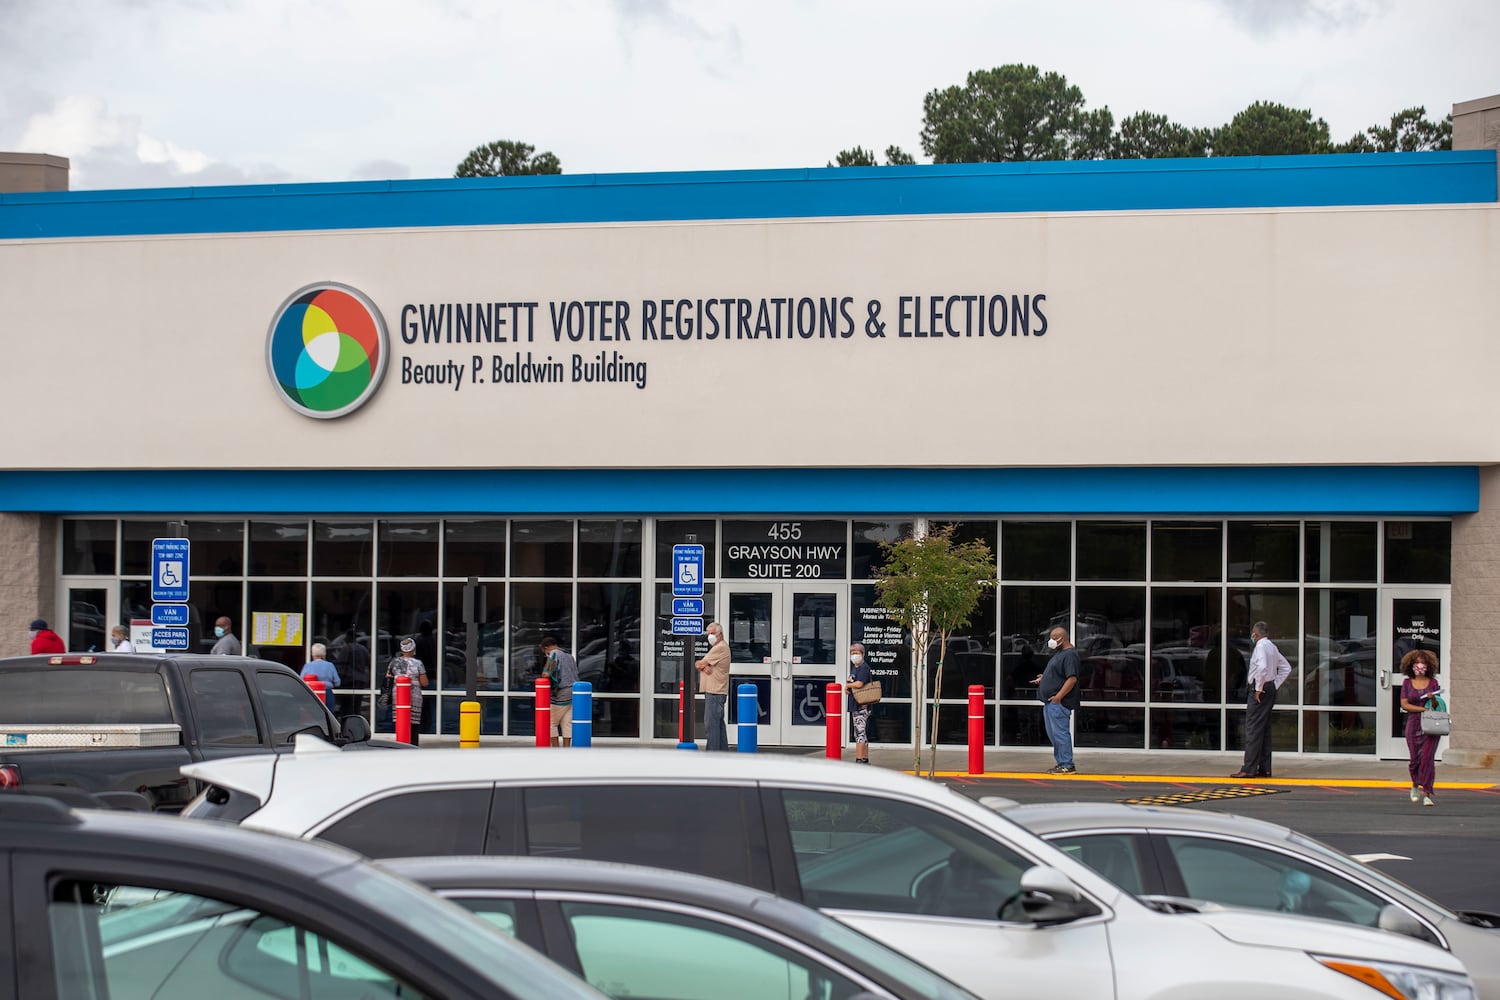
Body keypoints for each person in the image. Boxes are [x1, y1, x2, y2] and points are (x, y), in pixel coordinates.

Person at [1232, 620, 1293, 779]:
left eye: (1252, 633)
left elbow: (1262, 667)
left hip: (1259, 691)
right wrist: (1274, 684)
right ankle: (1265, 768)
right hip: (1269, 688)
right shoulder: (1272, 647)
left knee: (1252, 729)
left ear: (1256, 634)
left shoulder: (1260, 647)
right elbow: (1286, 667)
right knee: (1264, 730)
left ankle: (1249, 768)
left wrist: (1259, 688)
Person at [1032, 626, 1081, 774]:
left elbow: (1072, 679)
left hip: (1058, 703)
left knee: (1060, 734)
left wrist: (1058, 697)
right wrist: (1044, 678)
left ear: (1063, 639)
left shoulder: (1070, 655)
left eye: (1054, 638)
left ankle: (1067, 764)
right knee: (1054, 735)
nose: (1051, 641)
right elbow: (1059, 675)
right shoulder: (1060, 654)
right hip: (1050, 702)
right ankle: (1061, 762)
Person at [1399, 649, 1444, 807]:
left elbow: (1437, 704)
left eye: (1423, 663)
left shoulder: (1433, 683)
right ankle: (1414, 784)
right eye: (1417, 663)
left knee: (1427, 759)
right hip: (1413, 723)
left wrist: (1433, 699)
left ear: (1428, 665)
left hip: (1431, 724)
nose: (1420, 666)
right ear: (1411, 665)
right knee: (1415, 760)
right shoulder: (1406, 683)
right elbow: (1404, 704)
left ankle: (1427, 793)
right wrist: (1422, 709)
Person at [385, 637, 429, 745]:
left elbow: (388, 676)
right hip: (414, 696)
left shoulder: (394, 662)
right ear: (413, 649)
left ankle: (401, 744)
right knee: (413, 723)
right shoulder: (418, 663)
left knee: (400, 721)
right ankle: (413, 744)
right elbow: (424, 682)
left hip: (398, 696)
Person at [695, 621, 730, 751]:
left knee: (712, 725)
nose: (710, 636)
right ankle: (722, 752)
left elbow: (698, 664)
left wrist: (703, 666)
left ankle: (712, 754)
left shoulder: (720, 647)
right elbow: (701, 664)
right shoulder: (719, 647)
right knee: (718, 725)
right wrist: (705, 667)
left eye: (713, 633)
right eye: (708, 634)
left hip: (715, 692)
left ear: (720, 634)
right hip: (716, 692)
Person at [540, 635, 578, 747]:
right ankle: (566, 748)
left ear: (546, 648)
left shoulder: (554, 654)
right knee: (567, 723)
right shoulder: (569, 655)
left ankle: (556, 749)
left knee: (551, 722)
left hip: (562, 692)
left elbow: (546, 673)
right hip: (574, 691)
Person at [846, 641, 874, 764]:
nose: (854, 655)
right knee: (861, 732)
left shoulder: (864, 668)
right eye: (852, 653)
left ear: (862, 654)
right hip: (855, 703)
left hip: (861, 705)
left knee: (859, 732)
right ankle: (864, 758)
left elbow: (859, 683)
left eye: (856, 653)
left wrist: (848, 685)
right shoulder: (855, 668)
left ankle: (859, 759)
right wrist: (849, 688)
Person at [300, 642, 341, 714]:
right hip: (327, 692)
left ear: (312, 653)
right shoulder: (330, 665)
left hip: (312, 693)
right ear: (324, 653)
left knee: (313, 715)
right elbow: (337, 682)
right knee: (329, 715)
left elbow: (301, 680)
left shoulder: (308, 666)